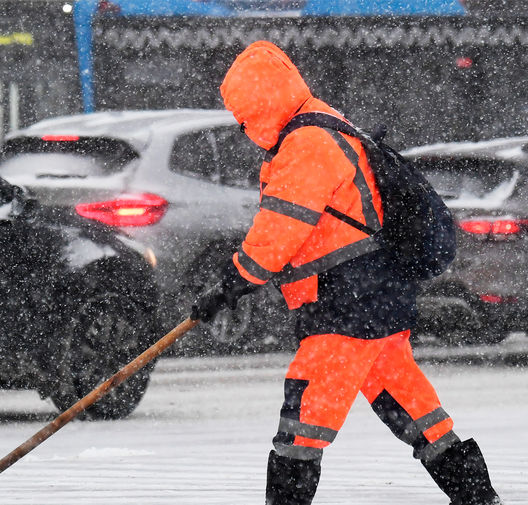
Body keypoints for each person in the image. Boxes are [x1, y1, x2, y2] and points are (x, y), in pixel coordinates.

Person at [191, 40, 502, 505]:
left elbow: (279, 231)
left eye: (243, 116)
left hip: (346, 304)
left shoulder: (305, 145)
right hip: (373, 295)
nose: (242, 128)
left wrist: (233, 282)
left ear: (258, 106)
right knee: (412, 405)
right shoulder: (325, 125)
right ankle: (476, 495)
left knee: (304, 419)